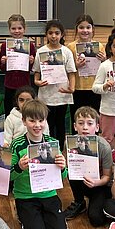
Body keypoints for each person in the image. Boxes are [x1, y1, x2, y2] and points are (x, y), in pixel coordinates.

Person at [10, 99, 68, 229]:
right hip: (26, 196)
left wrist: (63, 167)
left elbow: (63, 177)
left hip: (48, 194)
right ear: (24, 121)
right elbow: (9, 176)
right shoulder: (17, 144)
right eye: (32, 121)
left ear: (46, 121)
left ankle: (45, 218)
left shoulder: (52, 143)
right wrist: (19, 167)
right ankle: (24, 216)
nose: (37, 125)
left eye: (41, 120)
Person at [64, 107, 113, 224]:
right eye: (81, 123)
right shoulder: (69, 143)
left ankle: (100, 201)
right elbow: (66, 167)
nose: (85, 127)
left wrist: (96, 183)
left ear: (97, 127)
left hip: (100, 185)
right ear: (75, 126)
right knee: (71, 169)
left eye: (90, 123)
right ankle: (79, 201)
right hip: (81, 181)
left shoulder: (104, 146)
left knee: (96, 219)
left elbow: (107, 177)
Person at [33, 19, 77, 150]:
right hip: (46, 96)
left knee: (61, 124)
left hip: (62, 94)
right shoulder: (41, 51)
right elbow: (36, 73)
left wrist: (72, 88)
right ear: (46, 34)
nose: (53, 36)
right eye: (50, 33)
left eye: (57, 33)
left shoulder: (66, 52)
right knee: (48, 125)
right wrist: (37, 82)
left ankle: (60, 150)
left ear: (62, 34)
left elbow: (71, 72)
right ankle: (49, 150)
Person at [67, 14, 105, 123]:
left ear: (93, 29)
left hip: (94, 88)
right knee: (77, 118)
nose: (85, 30)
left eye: (88, 27)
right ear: (76, 29)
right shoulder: (70, 47)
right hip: (77, 88)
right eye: (81, 27)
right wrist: (75, 65)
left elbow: (105, 68)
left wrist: (103, 60)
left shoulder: (99, 46)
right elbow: (66, 69)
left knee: (93, 118)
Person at [0, 14, 36, 117]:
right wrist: (3, 62)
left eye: (19, 28)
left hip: (25, 85)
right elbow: (2, 69)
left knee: (26, 112)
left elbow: (33, 69)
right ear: (9, 29)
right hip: (9, 84)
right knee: (9, 113)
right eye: (13, 28)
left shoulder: (30, 46)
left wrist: (32, 62)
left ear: (24, 29)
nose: (17, 31)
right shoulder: (5, 46)